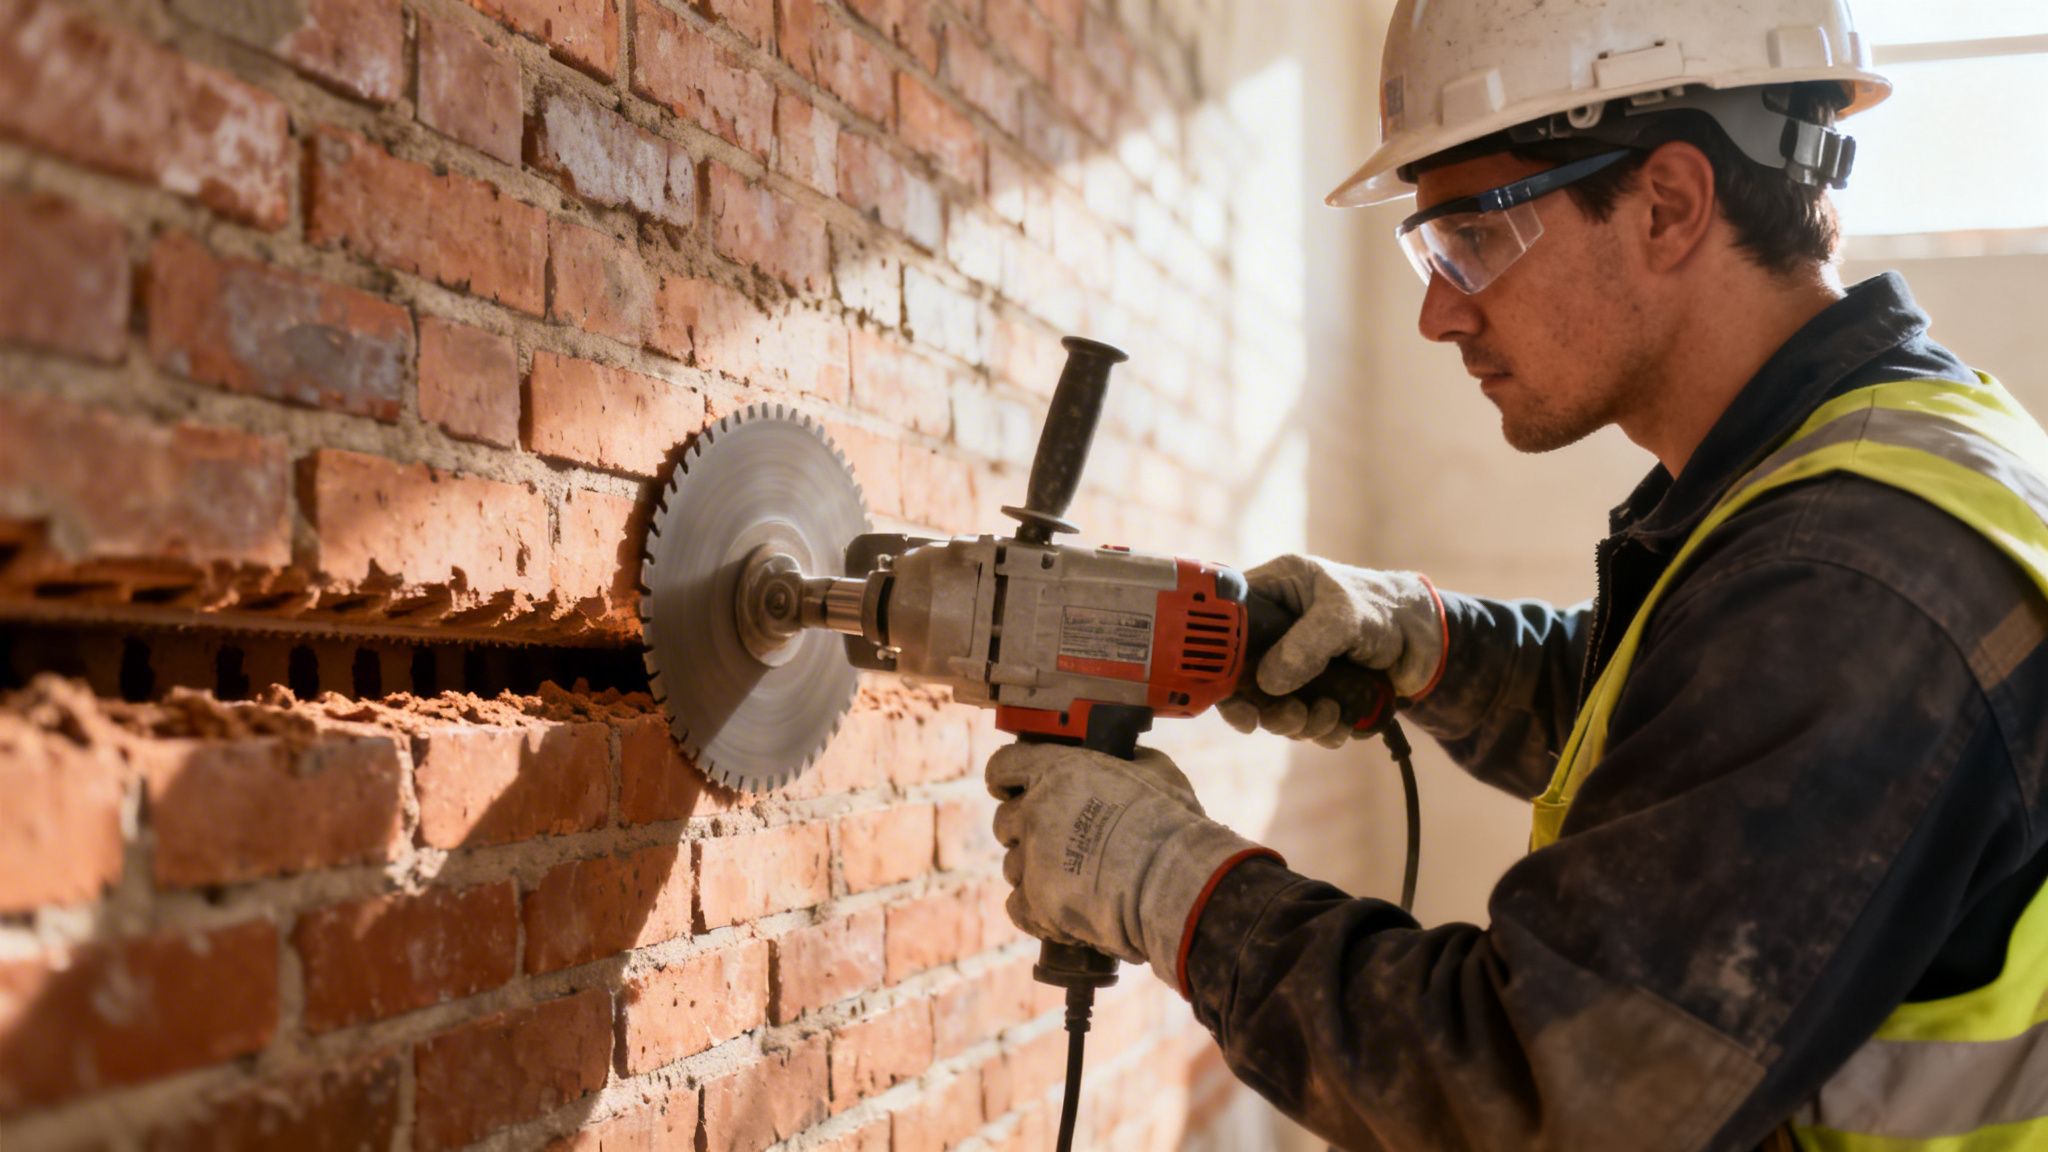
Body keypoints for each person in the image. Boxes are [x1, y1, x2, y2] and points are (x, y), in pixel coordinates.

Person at [984, 1, 2048, 1149]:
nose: (1440, 310)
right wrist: (1434, 649)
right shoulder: (1888, 460)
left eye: (1470, 239)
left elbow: (1540, 1098)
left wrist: (1169, 888)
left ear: (1667, 206)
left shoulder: (1851, 585)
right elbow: (1702, 754)